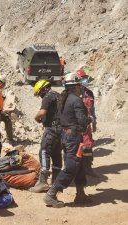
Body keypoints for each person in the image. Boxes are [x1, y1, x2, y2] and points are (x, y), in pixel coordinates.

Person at [44, 72, 93, 208]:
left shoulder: (63, 99)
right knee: (72, 166)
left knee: (80, 164)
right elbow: (82, 122)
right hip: (73, 138)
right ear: (76, 86)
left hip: (66, 137)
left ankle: (80, 194)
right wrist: (90, 119)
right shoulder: (76, 100)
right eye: (79, 85)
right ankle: (51, 194)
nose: (80, 88)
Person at [29, 80, 62, 193]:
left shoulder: (47, 96)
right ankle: (56, 181)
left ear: (43, 89)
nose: (40, 96)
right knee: (57, 153)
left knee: (44, 152)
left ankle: (43, 182)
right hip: (61, 129)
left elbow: (42, 112)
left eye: (39, 94)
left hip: (52, 129)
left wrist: (36, 117)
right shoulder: (58, 95)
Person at [77, 70, 98, 177]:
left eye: (85, 77)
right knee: (76, 147)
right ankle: (77, 169)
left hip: (87, 124)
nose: (85, 80)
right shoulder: (72, 93)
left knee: (88, 146)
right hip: (75, 125)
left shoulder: (89, 93)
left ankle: (88, 167)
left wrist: (94, 123)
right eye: (82, 77)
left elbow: (92, 109)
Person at [0, 75, 14, 142]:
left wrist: (4, 98)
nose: (4, 85)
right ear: (1, 83)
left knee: (8, 120)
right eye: (4, 84)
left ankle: (10, 139)